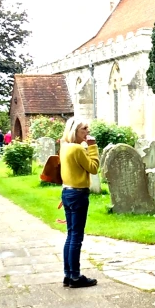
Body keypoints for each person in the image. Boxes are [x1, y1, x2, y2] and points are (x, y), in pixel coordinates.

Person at [59, 117, 99, 288]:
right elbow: (93, 167)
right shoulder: (77, 149)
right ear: (75, 130)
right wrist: (93, 147)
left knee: (70, 235)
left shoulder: (65, 147)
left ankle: (68, 275)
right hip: (78, 194)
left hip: (67, 192)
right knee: (76, 237)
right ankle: (75, 276)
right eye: (84, 129)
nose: (87, 131)